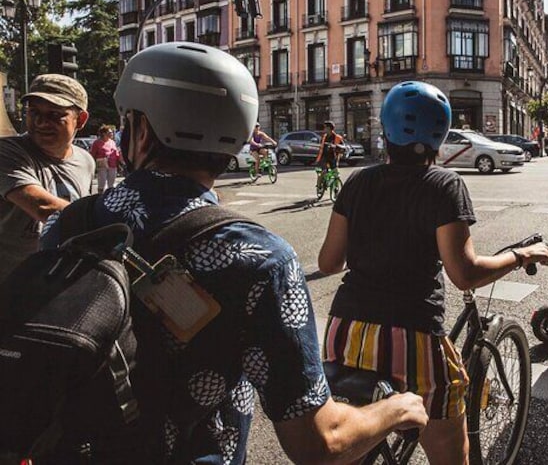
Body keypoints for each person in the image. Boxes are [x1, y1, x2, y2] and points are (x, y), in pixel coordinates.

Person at [42, 43, 427, 464]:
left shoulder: (69, 225)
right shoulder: (258, 257)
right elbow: (318, 442)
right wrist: (398, 408)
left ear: (143, 129)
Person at [318, 80, 548, 464]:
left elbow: (329, 263)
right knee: (451, 455)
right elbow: (464, 273)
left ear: (385, 128)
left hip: (345, 333)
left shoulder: (358, 181)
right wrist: (521, 254)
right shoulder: (443, 184)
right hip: (411, 337)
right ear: (440, 134)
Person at [0, 74, 93, 283]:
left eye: (55, 115)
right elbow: (44, 207)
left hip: (54, 290)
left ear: (81, 119)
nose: (42, 122)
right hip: (8, 293)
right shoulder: (7, 152)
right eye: (34, 112)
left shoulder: (86, 161)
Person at [90, 124, 121, 192]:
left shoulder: (112, 142)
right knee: (102, 183)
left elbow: (116, 153)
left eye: (112, 132)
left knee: (111, 184)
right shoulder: (97, 143)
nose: (112, 134)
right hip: (102, 165)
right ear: (104, 133)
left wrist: (119, 161)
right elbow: (92, 155)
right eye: (109, 132)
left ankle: (110, 198)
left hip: (113, 165)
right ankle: (99, 197)